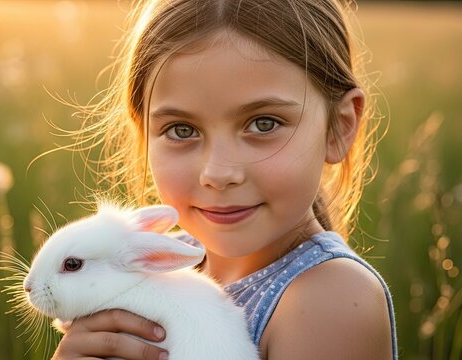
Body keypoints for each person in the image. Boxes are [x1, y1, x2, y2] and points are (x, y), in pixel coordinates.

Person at [51, 0, 397, 359]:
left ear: (339, 128)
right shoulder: (163, 266)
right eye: (181, 130)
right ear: (143, 134)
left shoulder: (331, 299)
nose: (217, 173)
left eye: (264, 123)